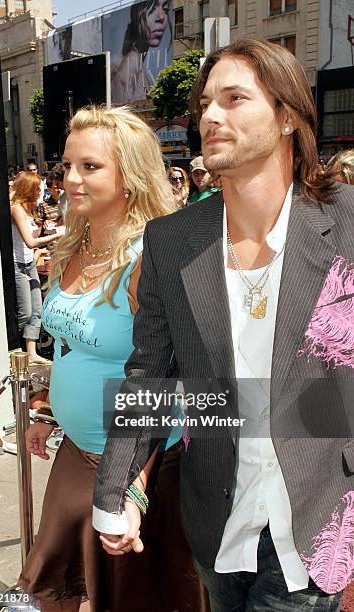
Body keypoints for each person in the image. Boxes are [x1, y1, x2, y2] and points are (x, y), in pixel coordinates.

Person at [93, 38, 354, 611]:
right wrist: (121, 488)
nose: (210, 115)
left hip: (314, 520)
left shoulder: (347, 222)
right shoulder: (173, 240)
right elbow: (149, 374)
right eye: (205, 102)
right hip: (217, 520)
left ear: (288, 115)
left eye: (235, 98)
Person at [18, 105, 210, 612]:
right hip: (74, 455)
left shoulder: (151, 256)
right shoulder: (72, 244)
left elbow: (164, 374)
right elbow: (69, 345)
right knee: (55, 586)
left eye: (91, 167)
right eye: (67, 165)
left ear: (130, 175)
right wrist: (46, 411)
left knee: (134, 597)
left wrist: (134, 488)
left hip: (136, 466)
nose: (71, 179)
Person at [10, 172, 60, 363]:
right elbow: (30, 242)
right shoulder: (16, 209)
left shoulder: (28, 209)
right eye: (37, 188)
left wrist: (46, 228)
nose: (40, 192)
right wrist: (56, 236)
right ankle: (17, 350)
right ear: (28, 189)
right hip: (19, 264)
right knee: (26, 312)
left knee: (37, 310)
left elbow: (32, 237)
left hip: (29, 262)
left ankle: (31, 353)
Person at [112, 0, 171, 104]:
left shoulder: (139, 63)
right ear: (137, 18)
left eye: (165, 9)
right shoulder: (130, 67)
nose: (161, 17)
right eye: (152, 9)